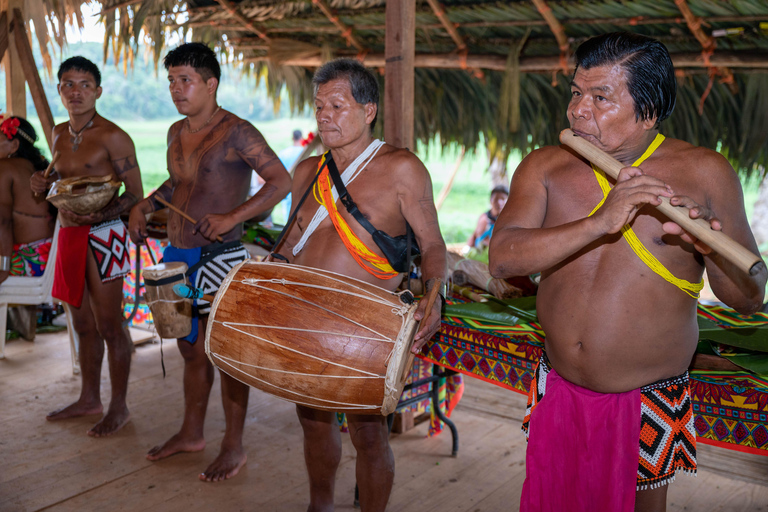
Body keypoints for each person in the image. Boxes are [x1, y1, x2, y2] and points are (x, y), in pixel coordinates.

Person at [489, 32, 766, 512]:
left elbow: (749, 296)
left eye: (601, 98)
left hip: (649, 396)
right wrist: (599, 222)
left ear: (649, 111)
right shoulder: (544, 166)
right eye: (576, 93)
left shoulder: (704, 173)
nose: (578, 110)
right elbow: (505, 258)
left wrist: (713, 252)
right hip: (557, 382)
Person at [271, 58, 446, 512]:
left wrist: (435, 293)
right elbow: (289, 245)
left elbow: (432, 245)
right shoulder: (307, 172)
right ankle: (320, 505)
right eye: (318, 106)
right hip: (306, 321)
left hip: (367, 327)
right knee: (313, 423)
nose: (324, 115)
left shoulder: (402, 169)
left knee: (369, 434)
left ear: (368, 110)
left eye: (337, 104)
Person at [127, 42, 291, 482]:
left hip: (220, 257)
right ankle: (191, 432)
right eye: (172, 81)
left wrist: (233, 216)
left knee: (226, 353)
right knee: (186, 345)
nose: (177, 90)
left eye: (186, 80)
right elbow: (176, 182)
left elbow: (282, 181)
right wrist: (145, 203)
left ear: (210, 83)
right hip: (175, 254)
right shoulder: (174, 132)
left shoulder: (238, 132)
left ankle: (233, 447)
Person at [30, 56, 144, 437]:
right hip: (70, 235)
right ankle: (89, 398)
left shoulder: (114, 136)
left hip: (105, 235)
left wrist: (98, 216)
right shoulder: (58, 133)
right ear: (59, 90)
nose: (75, 92)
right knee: (82, 324)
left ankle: (119, 407)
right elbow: (58, 184)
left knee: (111, 325)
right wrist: (40, 187)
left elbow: (136, 195)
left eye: (84, 85)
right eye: (68, 84)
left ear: (98, 91)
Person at [0, 116, 55, 286]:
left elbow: (3, 222)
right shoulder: (36, 165)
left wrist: (4, 266)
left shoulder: (5, 167)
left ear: (14, 145)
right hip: (49, 258)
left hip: (28, 261)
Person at [463, 184, 508, 261]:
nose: (499, 202)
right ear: (491, 200)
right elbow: (474, 235)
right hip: (479, 259)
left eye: (503, 199)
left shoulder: (509, 220)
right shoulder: (483, 218)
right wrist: (466, 250)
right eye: (496, 199)